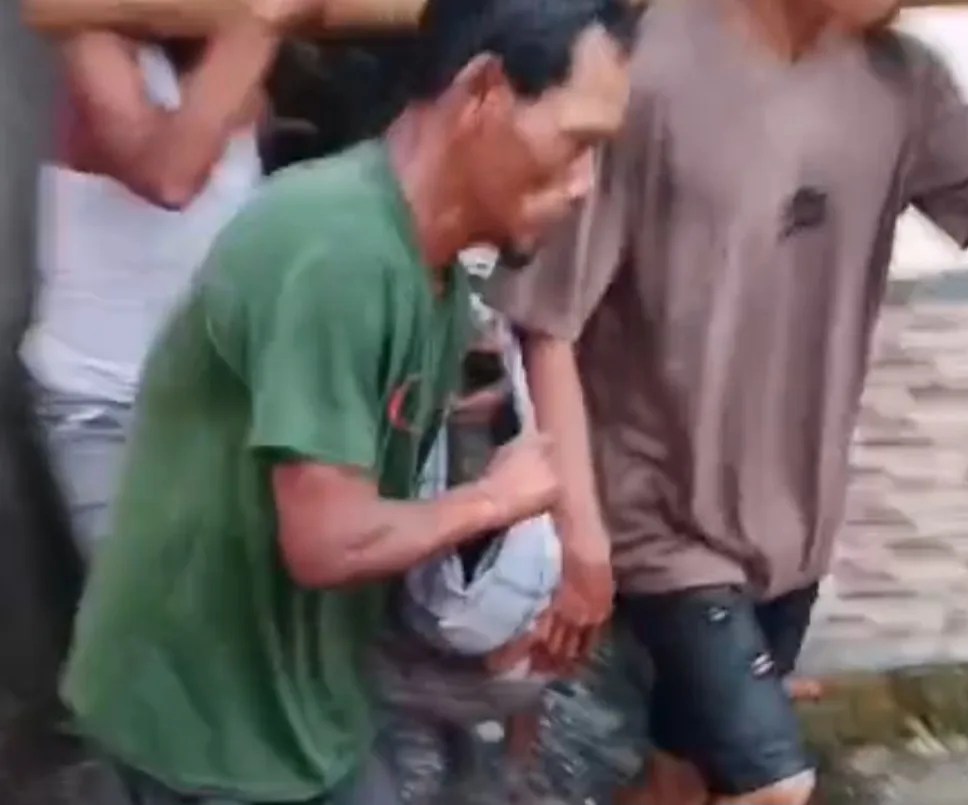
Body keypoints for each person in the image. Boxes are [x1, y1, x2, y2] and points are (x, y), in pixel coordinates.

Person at [489, 0, 968, 803]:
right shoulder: (642, 69)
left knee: (682, 782)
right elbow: (547, 320)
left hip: (791, 534)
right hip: (659, 523)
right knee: (774, 786)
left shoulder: (899, 81)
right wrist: (582, 530)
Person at [60, 1, 635, 804]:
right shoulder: (336, 248)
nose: (584, 185)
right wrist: (493, 500)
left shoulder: (428, 276)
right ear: (485, 92)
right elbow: (329, 540)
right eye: (577, 143)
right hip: (205, 728)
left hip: (299, 707)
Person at [20, 9, 298, 555]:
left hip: (217, 395)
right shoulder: (92, 38)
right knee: (145, 602)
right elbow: (169, 175)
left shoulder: (218, 54)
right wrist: (259, 23)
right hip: (108, 404)